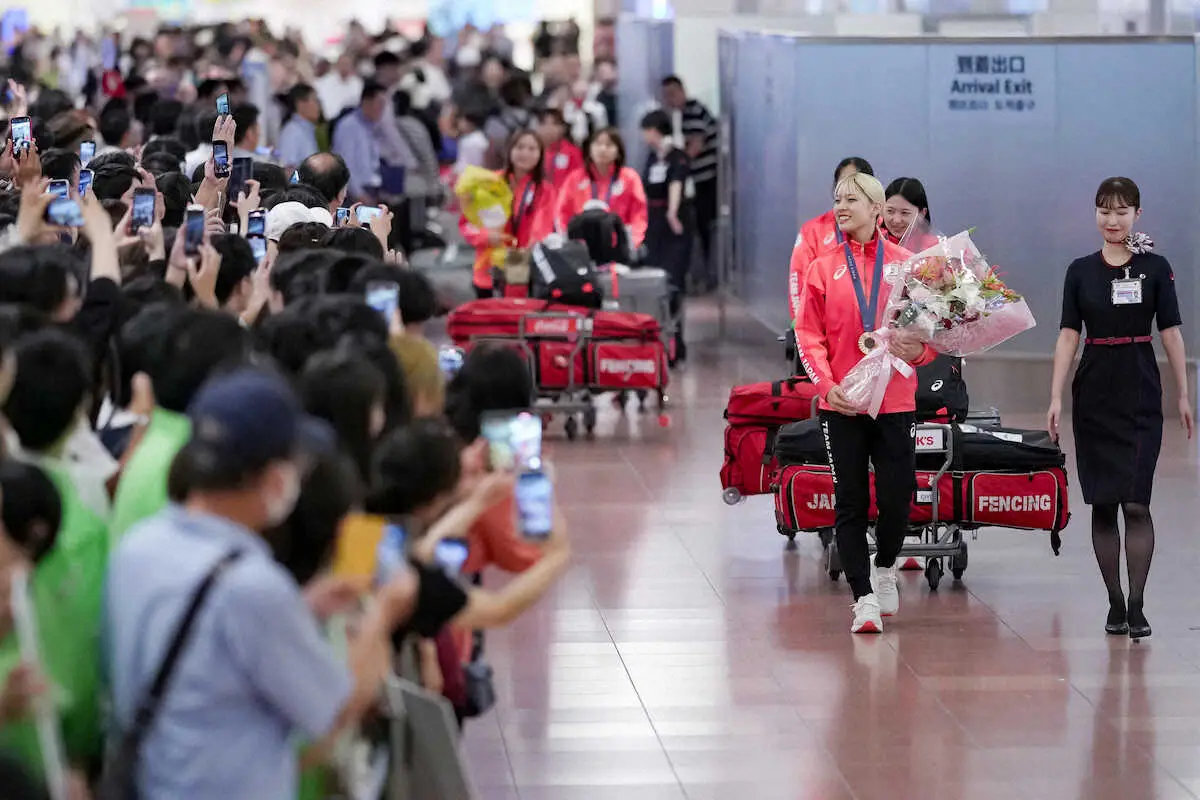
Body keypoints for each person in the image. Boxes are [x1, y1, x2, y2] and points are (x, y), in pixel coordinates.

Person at [104, 368, 418, 798]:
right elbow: (334, 709)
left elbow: (203, 655)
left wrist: (302, 607)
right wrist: (383, 613)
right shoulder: (251, 587)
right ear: (273, 476)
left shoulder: (140, 546)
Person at [1047, 176, 1192, 641]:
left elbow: (1170, 331)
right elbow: (1069, 334)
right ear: (1095, 214)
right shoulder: (1080, 271)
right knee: (1104, 503)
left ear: (1137, 215)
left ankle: (1138, 604)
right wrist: (1054, 395)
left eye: (1122, 211)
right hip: (1094, 391)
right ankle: (1113, 601)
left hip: (1140, 387)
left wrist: (1184, 392)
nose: (1112, 220)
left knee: (1136, 501)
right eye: (1104, 211)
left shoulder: (1155, 268)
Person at [795, 172, 935, 634]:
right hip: (843, 404)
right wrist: (824, 386)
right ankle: (863, 599)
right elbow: (808, 334)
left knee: (898, 499)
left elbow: (927, 334)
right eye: (836, 198)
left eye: (851, 199)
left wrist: (922, 352)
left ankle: (887, 563)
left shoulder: (907, 266)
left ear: (877, 209)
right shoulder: (823, 266)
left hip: (895, 400)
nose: (840, 206)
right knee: (850, 502)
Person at [459, 130, 557, 299]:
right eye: (520, 147)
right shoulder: (489, 183)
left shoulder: (545, 190)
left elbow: (544, 225)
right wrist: (486, 236)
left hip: (525, 267)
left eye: (532, 149)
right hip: (488, 266)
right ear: (510, 150)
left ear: (541, 155)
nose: (525, 153)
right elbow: (467, 222)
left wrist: (533, 245)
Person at [788, 156, 873, 325]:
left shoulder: (882, 229)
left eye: (855, 184)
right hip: (826, 332)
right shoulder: (813, 231)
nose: (847, 190)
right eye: (842, 184)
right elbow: (797, 283)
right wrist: (803, 327)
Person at [640, 110, 692, 366]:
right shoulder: (652, 157)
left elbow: (676, 184)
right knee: (652, 281)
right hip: (653, 224)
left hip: (674, 225)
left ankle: (676, 341)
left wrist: (672, 212)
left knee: (673, 283)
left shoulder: (677, 156)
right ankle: (656, 339)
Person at [660, 75, 718, 288]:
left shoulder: (694, 112)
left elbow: (695, 147)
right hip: (693, 182)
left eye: (673, 94)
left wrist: (678, 157)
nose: (670, 99)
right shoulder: (677, 117)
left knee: (705, 229)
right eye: (667, 96)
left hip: (707, 180)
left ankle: (707, 276)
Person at [556, 127, 647, 252]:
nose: (602, 149)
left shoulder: (630, 178)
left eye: (609, 145)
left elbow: (639, 215)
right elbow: (562, 212)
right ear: (589, 149)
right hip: (581, 246)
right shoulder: (575, 178)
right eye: (598, 144)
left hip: (619, 245)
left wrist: (633, 243)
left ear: (618, 151)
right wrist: (569, 242)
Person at [332, 81, 386, 203]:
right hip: (355, 194)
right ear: (367, 102)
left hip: (372, 189)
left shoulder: (372, 126)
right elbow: (344, 164)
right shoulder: (349, 126)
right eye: (380, 103)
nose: (383, 109)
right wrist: (359, 194)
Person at [882, 177, 937, 250]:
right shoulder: (874, 243)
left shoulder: (933, 249)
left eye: (904, 213)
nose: (897, 220)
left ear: (922, 213)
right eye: (890, 211)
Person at [536, 107, 582, 192]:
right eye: (544, 123)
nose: (549, 128)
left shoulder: (573, 152)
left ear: (562, 128)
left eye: (554, 124)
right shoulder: (531, 150)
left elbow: (578, 180)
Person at [277, 83, 322, 168]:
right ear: (300, 103)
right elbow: (288, 169)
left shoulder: (307, 130)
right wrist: (298, 181)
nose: (319, 106)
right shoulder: (292, 131)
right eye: (315, 100)